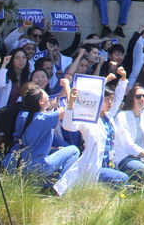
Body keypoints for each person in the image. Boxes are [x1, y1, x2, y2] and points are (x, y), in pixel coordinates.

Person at [54, 68, 130, 196]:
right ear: (98, 100)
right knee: (122, 178)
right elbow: (68, 125)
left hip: (108, 163)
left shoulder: (108, 117)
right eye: (107, 99)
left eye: (111, 99)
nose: (111, 102)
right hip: (94, 168)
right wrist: (71, 105)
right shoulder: (88, 119)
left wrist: (122, 79)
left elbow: (118, 99)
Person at [3, 81, 80, 186]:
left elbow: (30, 142)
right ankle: (61, 188)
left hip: (13, 164)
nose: (48, 96)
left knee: (56, 156)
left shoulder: (22, 115)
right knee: (74, 150)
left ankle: (34, 184)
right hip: (35, 166)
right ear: (40, 102)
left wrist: (53, 149)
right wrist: (67, 86)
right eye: (45, 95)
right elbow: (68, 109)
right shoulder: (45, 119)